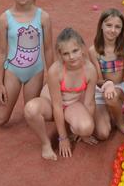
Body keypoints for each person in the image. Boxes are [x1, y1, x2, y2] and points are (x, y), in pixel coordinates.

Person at [23, 28, 97, 160]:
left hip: (71, 105)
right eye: (66, 53)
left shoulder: (90, 70)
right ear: (60, 55)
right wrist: (63, 138)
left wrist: (84, 133)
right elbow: (57, 106)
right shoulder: (55, 71)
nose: (71, 57)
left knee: (87, 128)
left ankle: (70, 124)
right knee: (30, 109)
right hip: (51, 104)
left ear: (82, 48)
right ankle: (46, 143)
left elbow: (89, 103)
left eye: (75, 51)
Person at [88, 8, 124, 140]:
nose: (113, 30)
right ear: (101, 26)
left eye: (117, 27)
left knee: (111, 97)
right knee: (102, 134)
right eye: (109, 25)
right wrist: (108, 84)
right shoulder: (93, 51)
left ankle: (120, 123)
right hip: (101, 89)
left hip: (119, 88)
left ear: (122, 29)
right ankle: (108, 111)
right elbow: (98, 80)